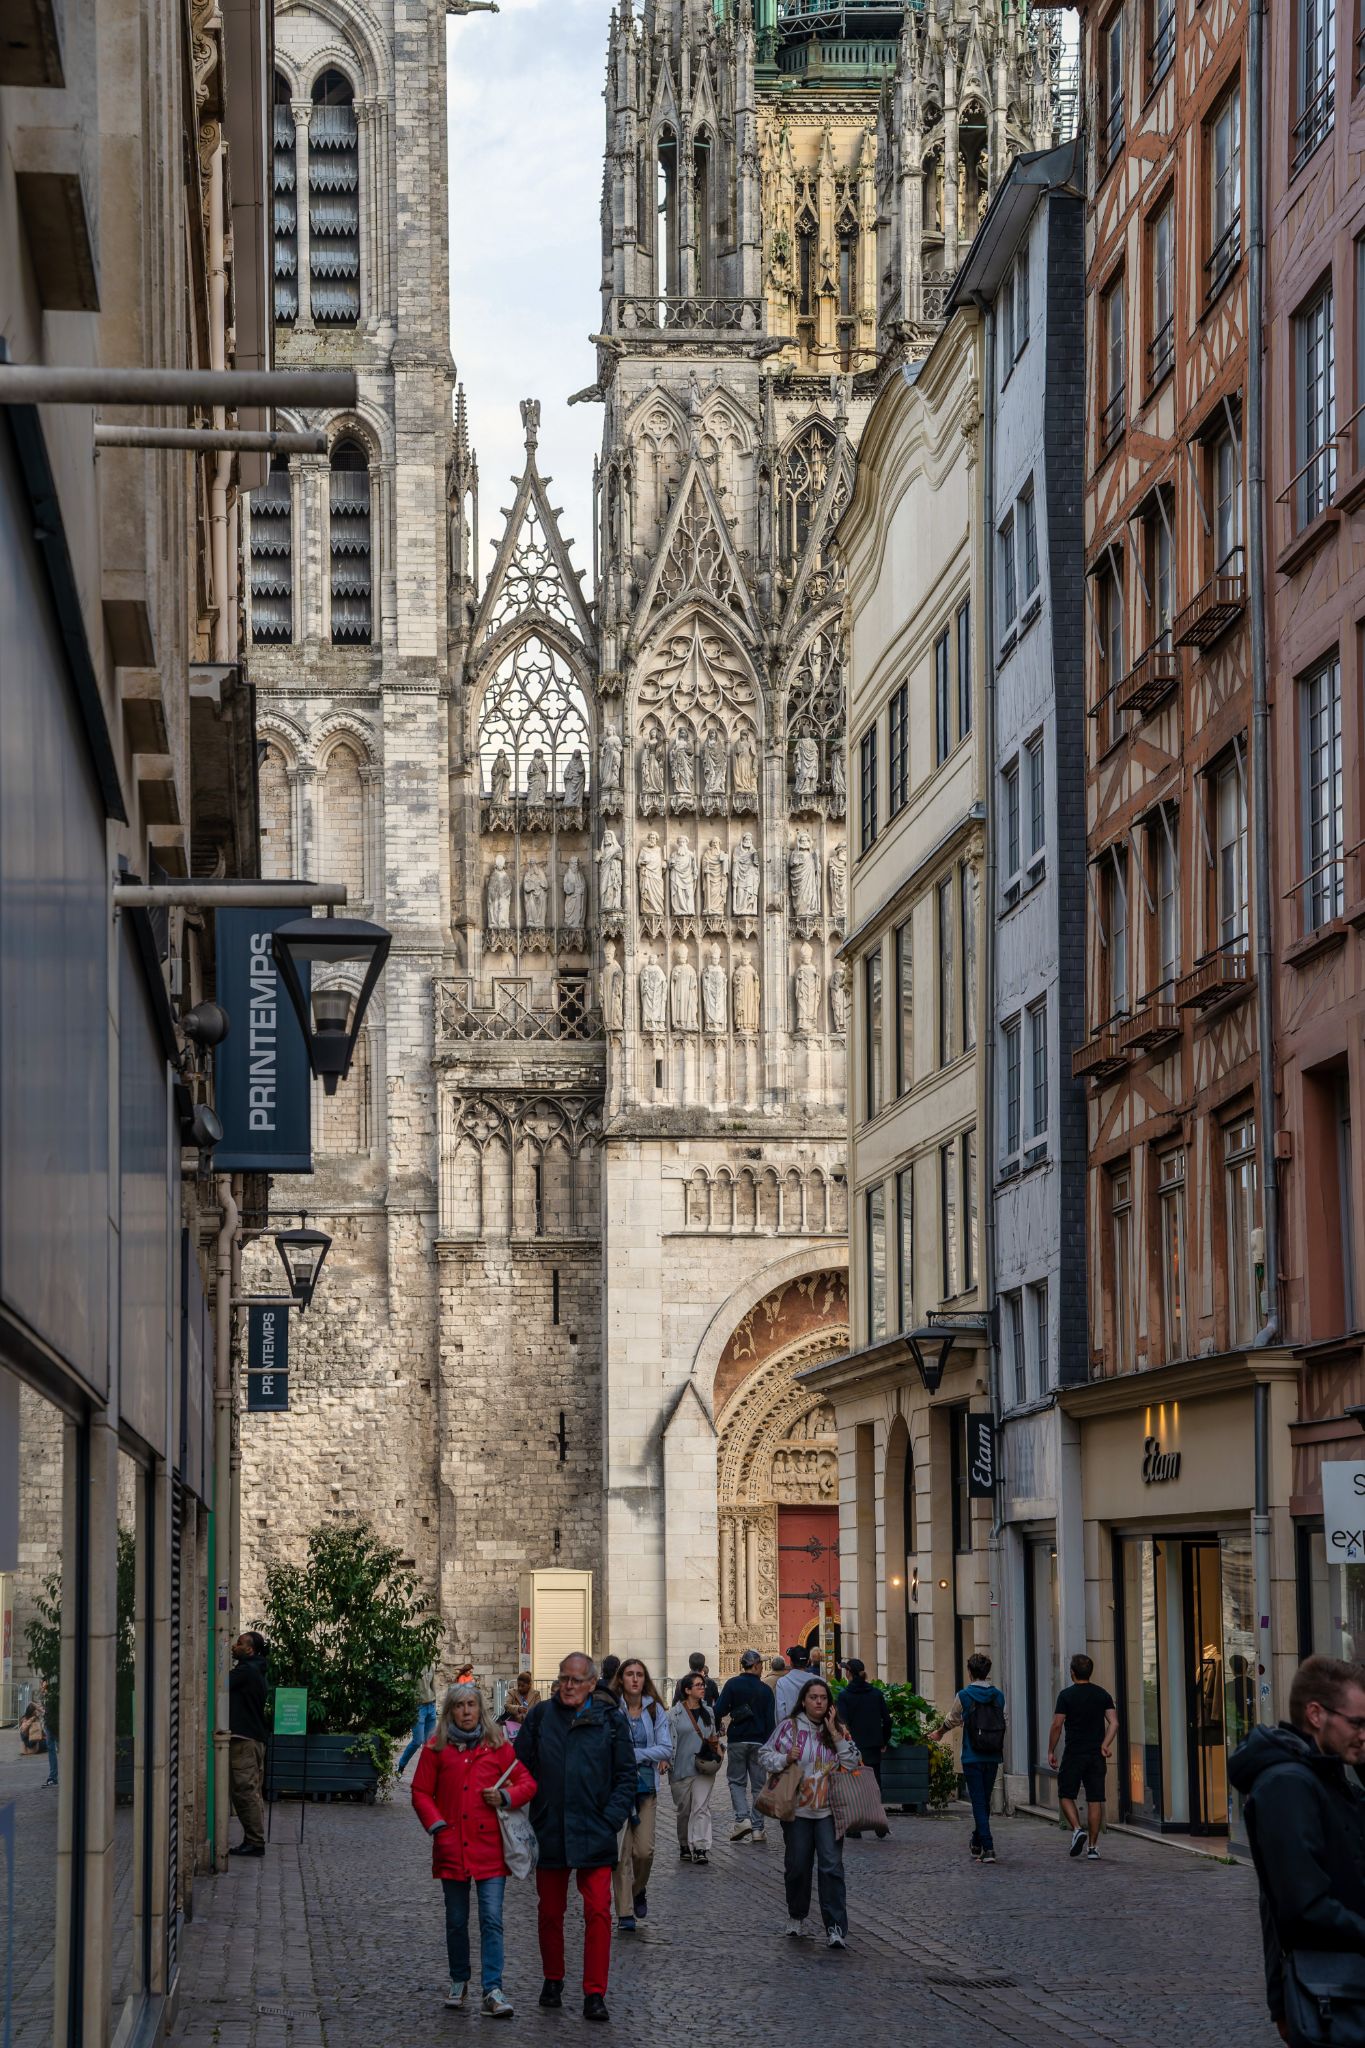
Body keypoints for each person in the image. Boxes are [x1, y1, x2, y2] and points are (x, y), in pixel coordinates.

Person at [1228, 1655, 1365, 2044]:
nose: (1363, 1734)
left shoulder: (1328, 1776)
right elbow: (1299, 1908)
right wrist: (1280, 2002)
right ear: (1316, 1714)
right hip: (1333, 1993)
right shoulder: (1288, 1784)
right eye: (1356, 1723)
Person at [514, 1653, 636, 2023]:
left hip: (594, 1830)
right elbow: (519, 1765)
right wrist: (534, 1803)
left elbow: (625, 1776)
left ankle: (594, 1992)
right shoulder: (540, 1716)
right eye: (563, 1678)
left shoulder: (610, 1721)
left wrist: (611, 1819)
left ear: (592, 1683)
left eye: (575, 1680)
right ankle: (553, 1978)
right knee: (550, 1912)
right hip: (551, 1828)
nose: (567, 1685)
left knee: (598, 1912)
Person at [410, 1682, 536, 2019]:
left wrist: (505, 1797)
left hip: (490, 1850)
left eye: (471, 1705)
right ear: (450, 1711)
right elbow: (421, 1791)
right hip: (452, 1847)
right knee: (455, 1920)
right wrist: (437, 1825)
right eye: (459, 1706)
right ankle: (459, 1979)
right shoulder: (436, 1748)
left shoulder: (498, 1748)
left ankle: (492, 1987)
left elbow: (527, 1783)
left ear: (480, 1709)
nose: (466, 1711)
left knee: (492, 1920)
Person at [759, 1676, 860, 1950]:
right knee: (797, 1866)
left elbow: (853, 1762)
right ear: (803, 1700)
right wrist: (784, 1759)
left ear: (829, 1703)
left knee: (831, 1867)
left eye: (823, 1698)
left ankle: (835, 1926)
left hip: (830, 1810)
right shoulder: (789, 1728)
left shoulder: (838, 1729)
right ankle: (797, 1913)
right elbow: (764, 1754)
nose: (818, 1702)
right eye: (813, 1697)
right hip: (798, 1811)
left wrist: (837, 1736)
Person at [610, 1658, 672, 1930]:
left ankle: (638, 1890)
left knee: (644, 1851)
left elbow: (665, 1749)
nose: (634, 1679)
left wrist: (634, 1755)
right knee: (621, 1853)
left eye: (639, 1674)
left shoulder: (655, 1710)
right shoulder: (612, 1708)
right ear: (621, 1678)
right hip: (617, 1789)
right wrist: (642, 1756)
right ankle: (624, 1913)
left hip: (646, 1789)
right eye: (629, 1674)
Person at [930, 1652, 1007, 1864]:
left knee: (978, 1802)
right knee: (984, 1801)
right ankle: (976, 1841)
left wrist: (939, 1732)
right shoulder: (998, 1695)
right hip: (993, 1754)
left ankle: (989, 1847)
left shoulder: (964, 1695)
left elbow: (952, 1719)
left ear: (970, 1672)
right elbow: (1004, 1719)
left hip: (972, 1754)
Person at [1048, 1653, 1118, 1860]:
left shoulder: (1066, 1696)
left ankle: (1078, 1829)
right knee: (1095, 1798)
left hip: (1074, 1752)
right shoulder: (1102, 1694)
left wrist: (1051, 1750)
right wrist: (1105, 1745)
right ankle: (1093, 1848)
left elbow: (1057, 1725)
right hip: (1096, 1754)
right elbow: (1114, 1723)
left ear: (1072, 1673)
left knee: (1065, 1794)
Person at [716, 1649, 777, 1841]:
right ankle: (758, 1828)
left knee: (736, 1781)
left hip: (737, 1740)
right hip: (759, 1741)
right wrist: (770, 1746)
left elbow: (719, 1709)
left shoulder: (732, 1684)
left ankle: (742, 1819)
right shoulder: (765, 1690)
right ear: (756, 1666)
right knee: (759, 1786)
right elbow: (770, 1721)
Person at [668, 1672, 722, 1864]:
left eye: (703, 1685)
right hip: (681, 1768)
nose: (702, 1688)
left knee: (701, 1808)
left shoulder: (709, 1711)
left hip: (704, 1767)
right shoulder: (674, 1714)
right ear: (687, 1690)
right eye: (698, 1685)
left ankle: (700, 1847)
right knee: (684, 1810)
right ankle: (684, 1844)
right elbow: (669, 1742)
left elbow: (713, 1735)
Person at [228, 1631, 269, 1858]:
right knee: (250, 1791)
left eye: (239, 1644)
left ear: (250, 1650)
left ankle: (255, 1842)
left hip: (244, 1739)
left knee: (245, 1791)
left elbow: (220, 1684)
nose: (234, 1646)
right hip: (254, 1738)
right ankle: (253, 1839)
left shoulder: (246, 1671)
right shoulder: (257, 1669)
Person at [837, 1659, 892, 1788]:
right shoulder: (876, 1694)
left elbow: (842, 1723)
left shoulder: (844, 1696)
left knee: (854, 1786)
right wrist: (884, 1740)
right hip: (873, 1746)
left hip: (852, 1747)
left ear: (848, 1673)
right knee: (874, 1784)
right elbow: (887, 1720)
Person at [396, 1662, 440, 1780]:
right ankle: (401, 1766)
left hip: (431, 1705)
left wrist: (435, 1702)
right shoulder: (412, 1666)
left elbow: (432, 1685)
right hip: (418, 1707)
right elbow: (404, 1685)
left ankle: (428, 1773)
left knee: (429, 1743)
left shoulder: (431, 1665)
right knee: (417, 1741)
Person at [774, 1644, 819, 1723]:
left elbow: (780, 1712)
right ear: (808, 1662)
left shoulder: (782, 1682)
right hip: (814, 1730)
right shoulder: (819, 1681)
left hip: (791, 1731)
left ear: (791, 1662)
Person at [498, 1672, 540, 1739]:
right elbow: (507, 1705)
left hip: (530, 1727)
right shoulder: (512, 1692)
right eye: (518, 1685)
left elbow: (538, 1710)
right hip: (514, 1728)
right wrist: (517, 1709)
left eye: (523, 1686)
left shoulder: (536, 1694)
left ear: (529, 1684)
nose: (520, 1688)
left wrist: (525, 1715)